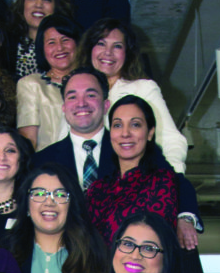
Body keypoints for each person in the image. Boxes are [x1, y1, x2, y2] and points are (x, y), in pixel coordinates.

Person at [86, 95, 203, 248]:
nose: (125, 133)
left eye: (135, 125)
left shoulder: (162, 182)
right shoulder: (96, 189)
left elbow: (153, 245)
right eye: (117, 125)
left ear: (150, 133)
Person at [79, 17, 188, 172]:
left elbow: (172, 140)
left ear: (127, 53)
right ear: (89, 49)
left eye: (117, 46)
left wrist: (173, 182)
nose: (108, 52)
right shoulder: (75, 94)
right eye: (101, 44)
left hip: (132, 183)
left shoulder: (143, 89)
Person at [17, 14, 81, 151]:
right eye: (51, 42)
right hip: (47, 166)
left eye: (65, 40)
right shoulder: (30, 85)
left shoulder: (93, 82)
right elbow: (29, 142)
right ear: (42, 49)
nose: (60, 48)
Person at [9, 0, 72, 79]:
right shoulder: (8, 43)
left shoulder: (66, 45)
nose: (38, 5)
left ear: (56, 6)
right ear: (22, 2)